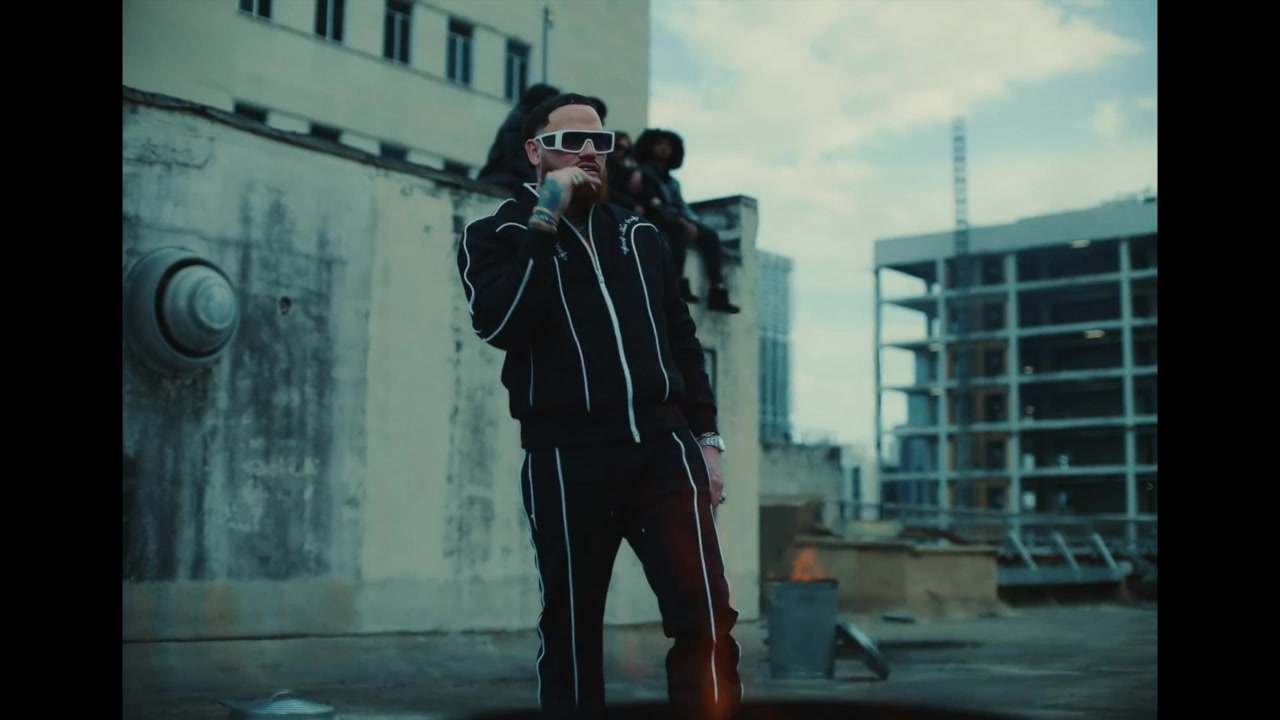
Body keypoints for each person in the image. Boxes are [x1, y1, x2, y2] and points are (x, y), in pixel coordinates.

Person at [456, 92, 743, 720]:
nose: (590, 152)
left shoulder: (641, 235)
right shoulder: (494, 234)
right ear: (535, 152)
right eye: (571, 142)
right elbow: (503, 323)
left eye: (601, 142)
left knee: (705, 616)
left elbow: (682, 341)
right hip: (567, 460)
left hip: (664, 454)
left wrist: (708, 443)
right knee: (571, 627)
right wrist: (546, 218)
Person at [633, 128, 739, 314]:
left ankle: (717, 289)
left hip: (675, 217)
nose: (664, 148)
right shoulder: (644, 172)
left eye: (668, 145)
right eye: (659, 144)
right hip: (654, 216)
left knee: (710, 235)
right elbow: (652, 202)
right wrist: (682, 222)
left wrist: (693, 223)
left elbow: (682, 207)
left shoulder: (673, 181)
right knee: (678, 229)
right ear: (649, 147)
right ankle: (678, 282)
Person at [477, 83, 562, 197]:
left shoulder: (529, 121)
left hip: (511, 178)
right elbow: (516, 158)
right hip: (502, 179)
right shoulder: (520, 121)